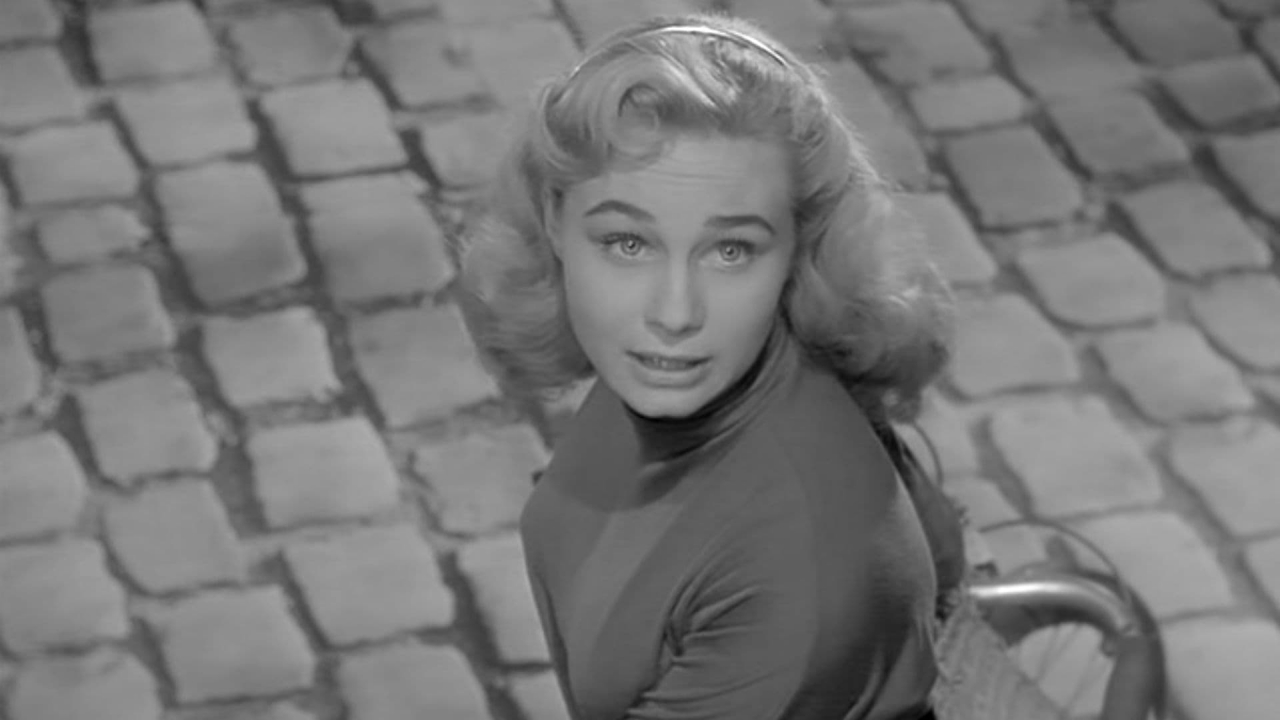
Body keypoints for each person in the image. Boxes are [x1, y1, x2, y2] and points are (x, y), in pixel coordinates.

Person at [455, 12, 961, 720]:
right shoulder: (683, 379)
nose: (674, 313)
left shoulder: (798, 577)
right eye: (628, 243)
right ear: (553, 226)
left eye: (731, 251)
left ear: (799, 255)